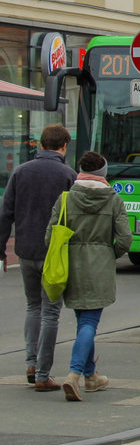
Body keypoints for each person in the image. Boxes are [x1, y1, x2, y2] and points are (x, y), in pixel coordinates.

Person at [0, 124, 76, 392]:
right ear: (64, 146)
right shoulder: (69, 175)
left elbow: (5, 213)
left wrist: (2, 250)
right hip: (54, 254)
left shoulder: (20, 172)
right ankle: (43, 375)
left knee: (32, 306)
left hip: (26, 251)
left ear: (41, 145)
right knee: (51, 313)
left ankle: (31, 363)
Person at [50, 151, 131, 401]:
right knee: (89, 324)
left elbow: (49, 236)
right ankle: (74, 375)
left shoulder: (65, 199)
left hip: (71, 267)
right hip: (99, 266)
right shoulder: (114, 200)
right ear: (103, 173)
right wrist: (109, 253)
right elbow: (126, 239)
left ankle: (91, 377)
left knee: (83, 321)